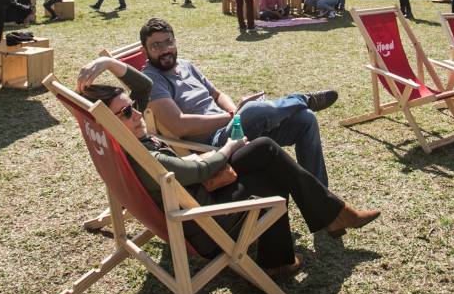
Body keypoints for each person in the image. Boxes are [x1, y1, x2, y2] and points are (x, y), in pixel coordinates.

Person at [77, 57, 378, 277]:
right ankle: (315, 229)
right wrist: (229, 148)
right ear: (110, 123)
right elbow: (196, 172)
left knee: (265, 149)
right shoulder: (144, 156)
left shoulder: (124, 137)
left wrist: (107, 63)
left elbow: (143, 87)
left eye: (132, 107)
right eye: (127, 112)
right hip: (203, 219)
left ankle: (319, 227)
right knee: (269, 172)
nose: (137, 114)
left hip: (196, 194)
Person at [139, 18, 338, 185]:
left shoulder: (185, 65)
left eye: (169, 42)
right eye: (156, 46)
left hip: (229, 128)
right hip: (212, 145)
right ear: (144, 50)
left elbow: (217, 95)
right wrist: (232, 117)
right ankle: (302, 98)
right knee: (252, 109)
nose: (165, 49)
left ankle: (321, 194)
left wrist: (235, 111)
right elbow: (179, 125)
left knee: (306, 119)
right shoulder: (151, 80)